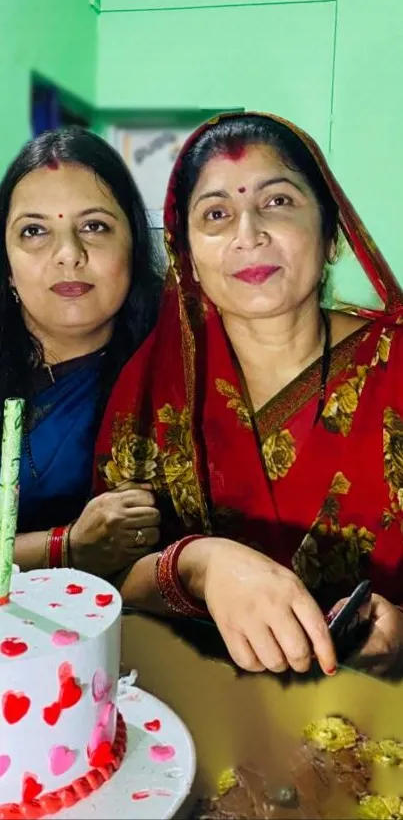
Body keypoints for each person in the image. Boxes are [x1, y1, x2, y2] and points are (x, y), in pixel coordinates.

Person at [95, 112, 403, 679]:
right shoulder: (153, 383)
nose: (248, 234)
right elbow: (105, 580)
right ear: (186, 252)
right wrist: (200, 565)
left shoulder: (396, 368)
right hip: (197, 721)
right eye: (216, 214)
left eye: (278, 202)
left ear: (334, 234)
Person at [0, 127, 162, 577]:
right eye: (34, 231)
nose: (68, 254)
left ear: (132, 244)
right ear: (7, 267)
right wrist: (65, 546)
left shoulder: (175, 365)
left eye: (94, 226)